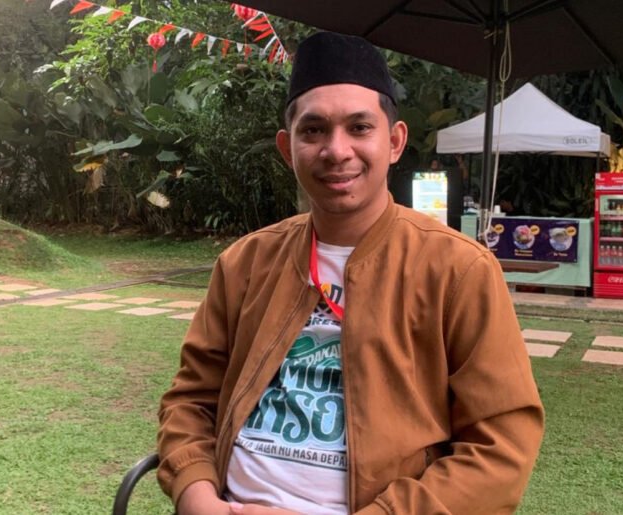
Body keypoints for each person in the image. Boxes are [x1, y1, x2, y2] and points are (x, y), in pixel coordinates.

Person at [157, 32, 544, 515]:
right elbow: (191, 400)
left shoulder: (458, 270)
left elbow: (501, 444)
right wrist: (196, 494)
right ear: (287, 148)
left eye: (359, 127)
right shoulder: (246, 263)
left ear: (395, 141)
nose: (336, 150)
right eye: (313, 130)